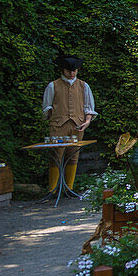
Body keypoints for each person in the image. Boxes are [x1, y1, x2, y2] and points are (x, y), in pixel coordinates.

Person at [41, 55, 97, 194]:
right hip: (58, 126)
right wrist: (53, 119)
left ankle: (69, 189)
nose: (72, 74)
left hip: (78, 126)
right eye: (69, 71)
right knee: (56, 155)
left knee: (73, 156)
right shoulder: (53, 85)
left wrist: (87, 121)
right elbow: (46, 107)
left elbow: (88, 107)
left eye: (75, 71)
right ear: (63, 70)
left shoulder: (84, 86)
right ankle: (52, 190)